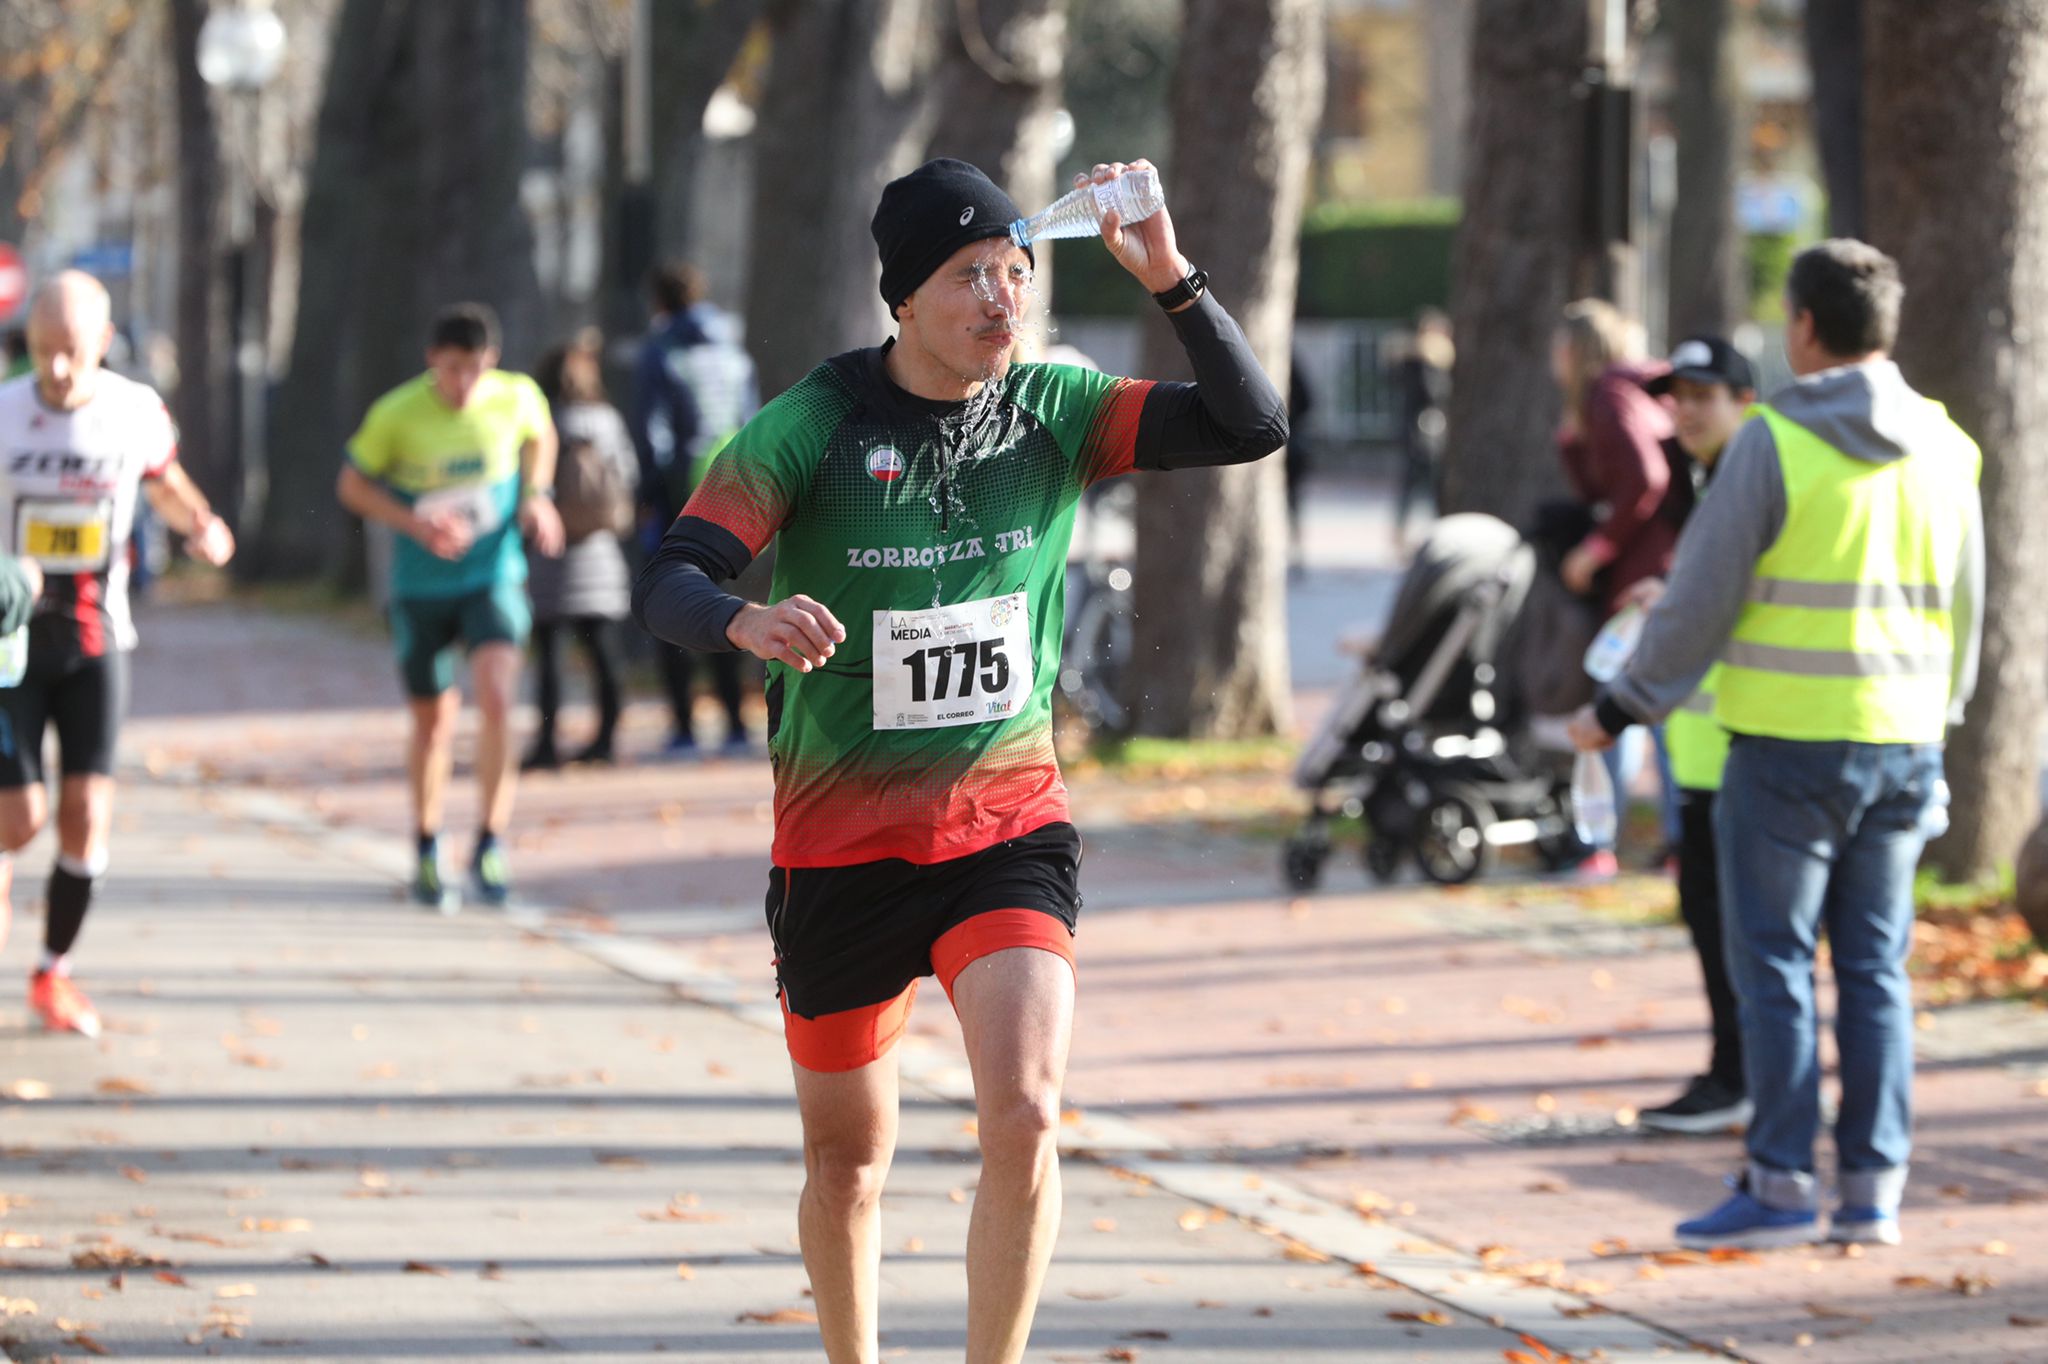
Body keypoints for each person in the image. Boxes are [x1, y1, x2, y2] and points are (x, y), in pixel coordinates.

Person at [634, 157, 1286, 1364]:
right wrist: (744, 620)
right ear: (902, 299)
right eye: (968, 276)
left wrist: (1173, 280)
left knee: (1028, 1112)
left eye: (1014, 272)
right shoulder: (813, 425)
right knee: (848, 1161)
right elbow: (671, 573)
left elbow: (1251, 423)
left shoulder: (1054, 405)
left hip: (1004, 825)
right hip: (838, 848)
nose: (1000, 298)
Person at [1570, 240, 1982, 1250]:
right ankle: (1874, 1188)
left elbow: (1696, 603)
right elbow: (1968, 603)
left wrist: (1618, 707)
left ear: (1800, 327)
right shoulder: (1944, 443)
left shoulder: (1775, 440)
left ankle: (1780, 1180)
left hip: (1784, 747)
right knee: (1877, 968)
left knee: (1776, 964)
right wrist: (1943, 715)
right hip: (1900, 739)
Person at [0, 271, 237, 1037]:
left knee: (85, 814)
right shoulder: (4, 413)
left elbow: (163, 481)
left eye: (70, 352)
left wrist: (202, 524)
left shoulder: (133, 410)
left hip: (99, 640)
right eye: (42, 351)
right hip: (9, 647)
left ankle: (52, 975)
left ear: (102, 343)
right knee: (16, 819)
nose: (56, 369)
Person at [336, 304, 564, 912]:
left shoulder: (515, 396)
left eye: (475, 369)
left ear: (491, 361)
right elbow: (352, 484)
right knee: (433, 721)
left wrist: (538, 495)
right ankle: (428, 846)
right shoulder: (396, 413)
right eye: (452, 369)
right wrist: (412, 523)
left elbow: (541, 434)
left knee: (495, 695)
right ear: (432, 359)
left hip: (492, 575)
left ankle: (490, 841)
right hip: (420, 587)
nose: (463, 384)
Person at [1628, 336, 1757, 1136]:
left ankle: (1742, 1077)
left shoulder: (1749, 476)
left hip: (1743, 744)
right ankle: (1735, 1071)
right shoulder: (1708, 475)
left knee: (1733, 924)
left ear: (1745, 400)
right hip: (1707, 743)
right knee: (1713, 915)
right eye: (1677, 396)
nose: (1686, 411)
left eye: (1705, 396)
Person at [1551, 298, 1676, 877]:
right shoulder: (1636, 393)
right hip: (1665, 565)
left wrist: (1597, 548)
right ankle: (1673, 842)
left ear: (1576, 350)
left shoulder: (1608, 397)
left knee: (1620, 699)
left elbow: (1644, 480)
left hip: (1640, 575)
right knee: (1659, 706)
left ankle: (1601, 839)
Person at [630, 264, 760, 757]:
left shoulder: (660, 353)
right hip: (729, 491)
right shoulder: (734, 353)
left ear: (659, 303)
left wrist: (648, 494)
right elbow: (751, 423)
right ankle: (733, 724)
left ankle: (685, 727)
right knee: (725, 600)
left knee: (670, 598)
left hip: (676, 495)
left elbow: (652, 433)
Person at [522, 334, 636, 770]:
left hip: (550, 552)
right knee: (604, 651)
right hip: (600, 551)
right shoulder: (607, 420)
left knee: (549, 654)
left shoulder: (542, 421)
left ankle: (547, 744)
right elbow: (628, 474)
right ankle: (606, 739)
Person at [1390, 307, 1452, 547]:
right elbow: (1432, 394)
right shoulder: (1422, 362)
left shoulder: (1414, 360)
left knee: (1415, 485)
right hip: (1423, 430)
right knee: (1426, 483)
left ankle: (1404, 531)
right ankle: (1417, 531)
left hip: (1419, 429)